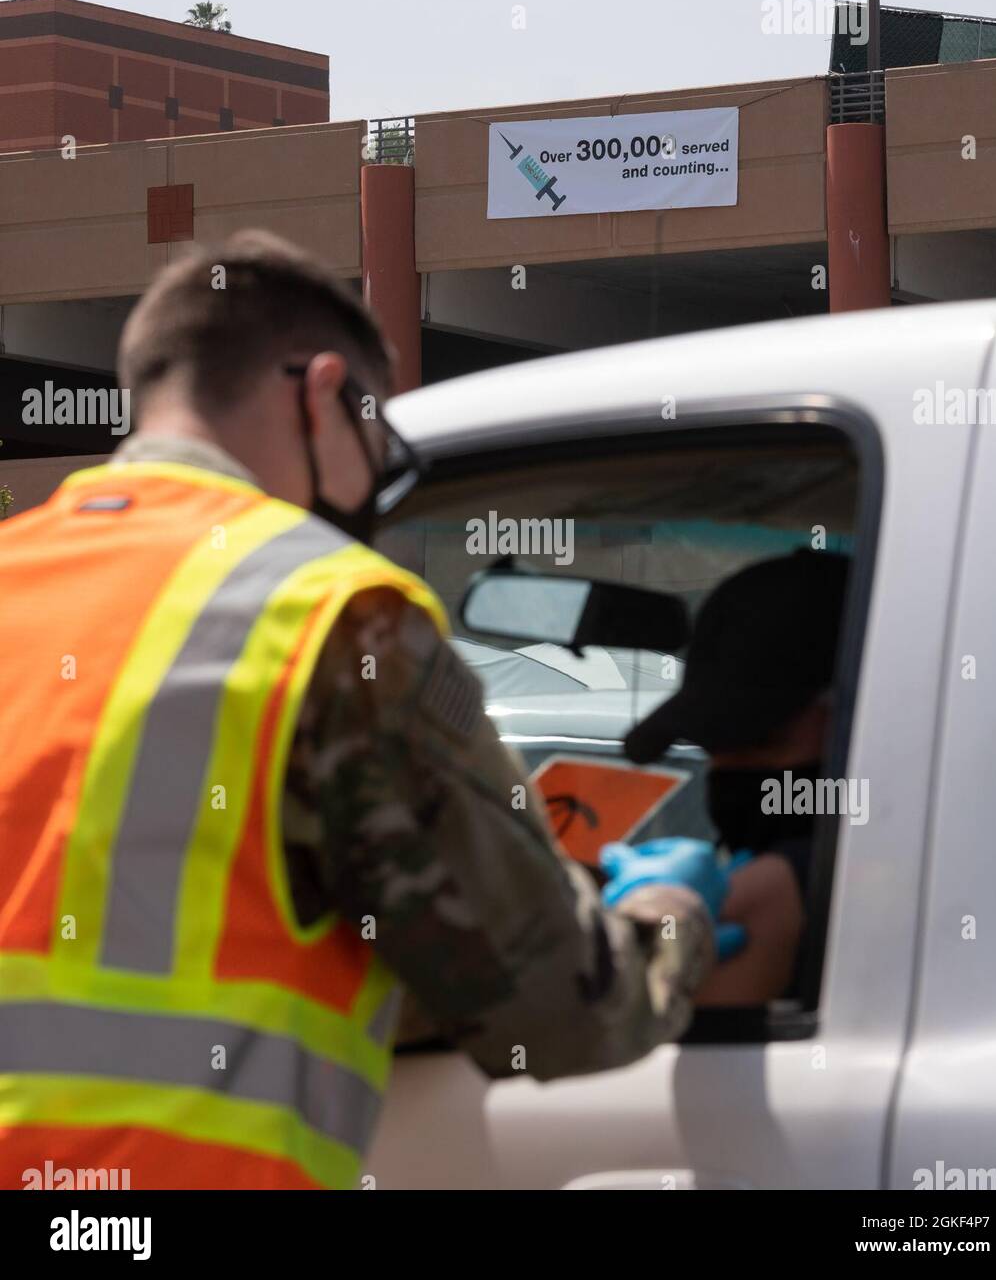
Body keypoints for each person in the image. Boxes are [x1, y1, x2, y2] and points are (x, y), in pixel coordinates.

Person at [0, 230, 731, 1192]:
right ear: (321, 391)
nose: (377, 476)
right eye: (375, 431)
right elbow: (562, 1007)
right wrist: (671, 913)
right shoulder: (335, 612)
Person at [624, 549, 851, 1005]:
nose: (728, 776)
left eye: (762, 743)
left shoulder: (775, 888)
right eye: (713, 750)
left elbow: (607, 1030)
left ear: (852, 715)